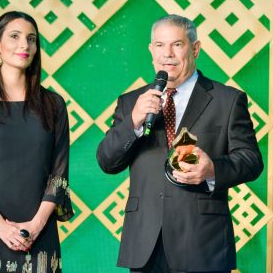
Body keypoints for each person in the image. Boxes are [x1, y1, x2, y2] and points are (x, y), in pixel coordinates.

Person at [97, 14, 263, 272]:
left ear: (194, 49)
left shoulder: (227, 100)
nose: (168, 54)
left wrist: (212, 170)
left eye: (177, 44)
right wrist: (133, 122)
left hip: (202, 242)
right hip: (145, 245)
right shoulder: (132, 102)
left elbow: (251, 161)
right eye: (160, 46)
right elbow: (107, 161)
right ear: (151, 51)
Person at [0, 11, 73, 272]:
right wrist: (1, 226)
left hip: (39, 233)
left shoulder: (54, 105)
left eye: (31, 39)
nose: (24, 45)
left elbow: (59, 175)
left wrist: (35, 226)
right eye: (15, 37)